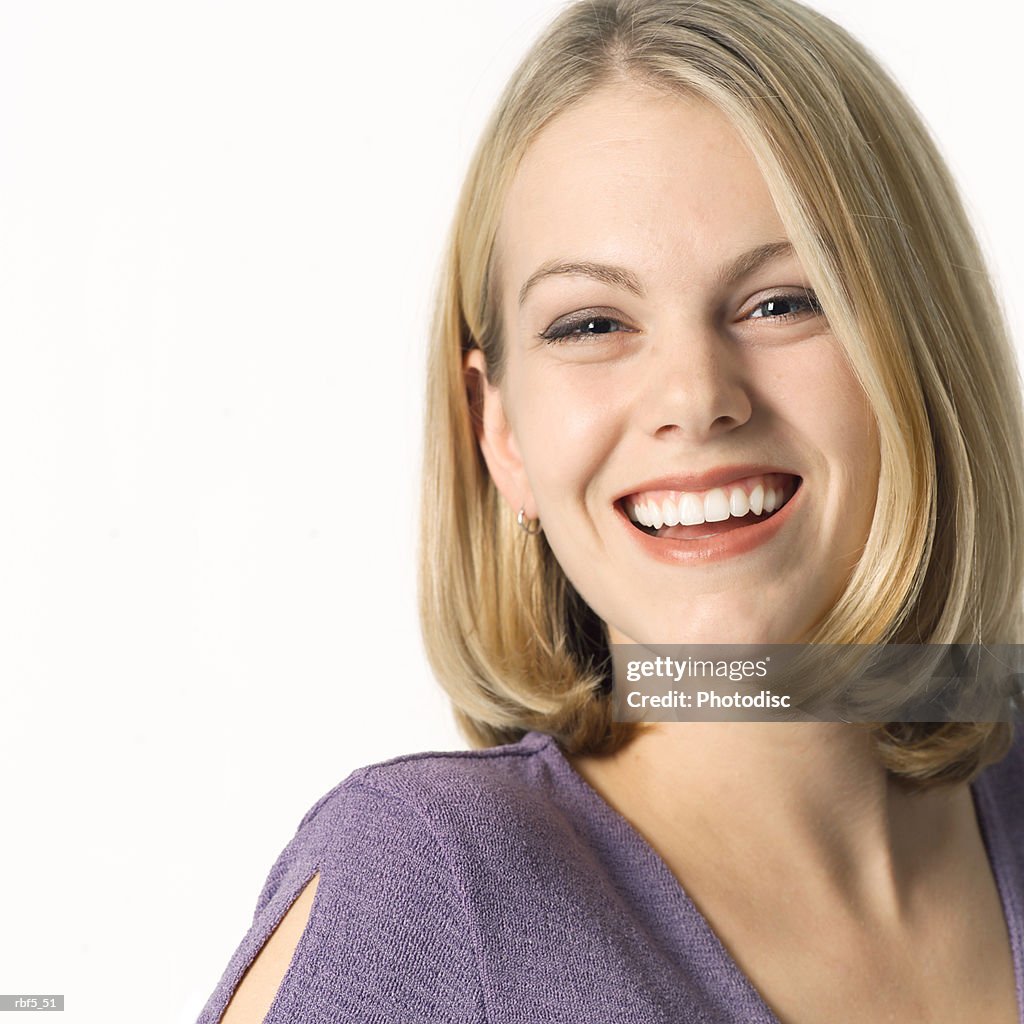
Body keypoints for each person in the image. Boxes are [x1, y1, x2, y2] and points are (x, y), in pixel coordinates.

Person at [195, 0, 1024, 1021]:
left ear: (926, 352)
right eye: (591, 322)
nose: (694, 396)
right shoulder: (425, 890)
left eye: (781, 301)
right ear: (496, 431)